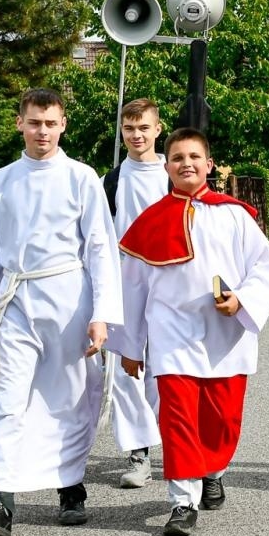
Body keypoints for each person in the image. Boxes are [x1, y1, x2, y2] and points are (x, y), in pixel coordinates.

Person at [0, 88, 122, 536]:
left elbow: (101, 250)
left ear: (62, 124)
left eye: (50, 123)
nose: (41, 131)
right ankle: (1, 502)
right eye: (33, 122)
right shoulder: (1, 182)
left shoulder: (81, 178)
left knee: (67, 396)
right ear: (19, 124)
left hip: (69, 298)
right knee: (7, 398)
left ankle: (70, 487)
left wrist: (102, 313)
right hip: (17, 299)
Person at [111, 128, 269, 536]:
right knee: (178, 419)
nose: (185, 163)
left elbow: (266, 265)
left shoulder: (234, 214)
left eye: (193, 156)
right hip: (171, 334)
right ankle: (182, 502)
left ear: (209, 164)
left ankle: (213, 470)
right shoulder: (150, 221)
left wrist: (241, 300)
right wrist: (130, 346)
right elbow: (131, 288)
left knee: (221, 419)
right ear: (166, 167)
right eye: (176, 158)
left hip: (224, 335)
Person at [98, 97, 170, 490]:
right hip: (124, 286)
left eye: (143, 128)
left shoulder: (173, 175)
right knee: (127, 371)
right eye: (129, 129)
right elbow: (96, 237)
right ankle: (138, 452)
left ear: (157, 129)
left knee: (163, 370)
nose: (136, 135)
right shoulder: (110, 181)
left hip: (167, 286)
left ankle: (166, 441)